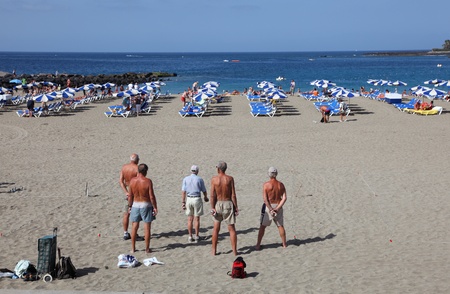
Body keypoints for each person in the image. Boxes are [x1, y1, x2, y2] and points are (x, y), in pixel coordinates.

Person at [128, 163, 158, 253]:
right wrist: (155, 207)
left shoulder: (132, 181)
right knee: (147, 227)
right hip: (146, 205)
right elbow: (151, 196)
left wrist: (130, 206)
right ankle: (147, 249)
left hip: (135, 205)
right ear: (145, 172)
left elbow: (130, 196)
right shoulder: (148, 181)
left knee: (134, 226)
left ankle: (133, 248)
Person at [210, 161, 238, 256]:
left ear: (218, 169)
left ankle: (214, 250)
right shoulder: (230, 179)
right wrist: (236, 207)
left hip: (218, 203)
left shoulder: (214, 179)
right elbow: (233, 195)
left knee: (216, 229)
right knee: (231, 229)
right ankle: (234, 251)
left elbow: (212, 195)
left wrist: (212, 207)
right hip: (228, 203)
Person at [256, 167, 287, 250]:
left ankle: (258, 245)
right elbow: (284, 198)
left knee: (262, 226)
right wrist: (277, 208)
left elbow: (265, 199)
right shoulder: (281, 184)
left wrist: (270, 208)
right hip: (278, 205)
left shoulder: (266, 185)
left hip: (269, 206)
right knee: (280, 226)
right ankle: (284, 244)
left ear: (269, 174)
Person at [181, 165, 208, 243]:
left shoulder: (186, 179)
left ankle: (190, 236)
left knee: (190, 219)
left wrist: (183, 201)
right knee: (197, 218)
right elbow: (204, 190)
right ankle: (196, 235)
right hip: (197, 198)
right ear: (197, 171)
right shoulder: (199, 179)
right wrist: (205, 197)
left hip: (189, 198)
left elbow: (183, 191)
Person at [119, 153, 139, 240]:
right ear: (137, 160)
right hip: (134, 192)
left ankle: (125, 233)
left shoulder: (124, 167)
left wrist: (126, 192)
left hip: (127, 190)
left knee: (126, 213)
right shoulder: (137, 168)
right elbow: (139, 181)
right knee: (135, 213)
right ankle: (134, 233)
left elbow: (121, 181)